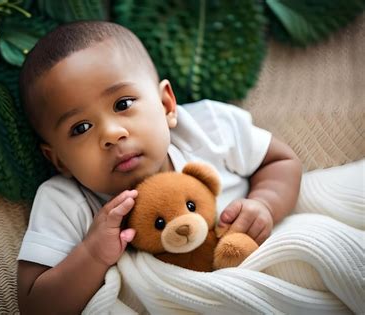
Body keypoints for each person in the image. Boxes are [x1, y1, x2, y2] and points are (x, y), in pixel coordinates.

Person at [16, 20, 302, 314]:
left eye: (123, 104)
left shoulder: (208, 129)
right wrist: (92, 253)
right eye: (81, 127)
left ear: (166, 105)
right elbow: (35, 305)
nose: (112, 134)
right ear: (59, 159)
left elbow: (281, 161)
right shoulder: (65, 201)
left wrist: (264, 203)